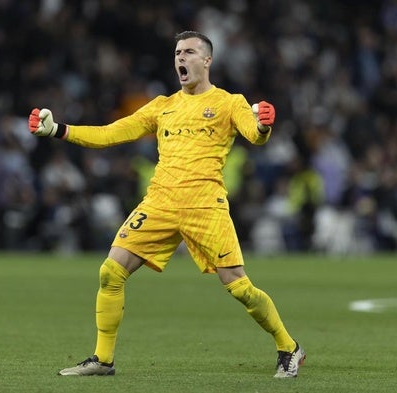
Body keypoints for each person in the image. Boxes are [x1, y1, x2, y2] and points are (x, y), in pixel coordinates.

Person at [28, 30, 305, 379]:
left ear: (207, 60)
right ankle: (103, 359)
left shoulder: (229, 102)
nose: (181, 59)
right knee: (110, 272)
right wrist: (59, 130)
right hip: (159, 202)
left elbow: (254, 134)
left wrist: (263, 126)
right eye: (177, 53)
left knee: (238, 286)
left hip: (205, 204)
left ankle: (289, 347)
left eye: (189, 52)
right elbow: (111, 133)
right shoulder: (163, 106)